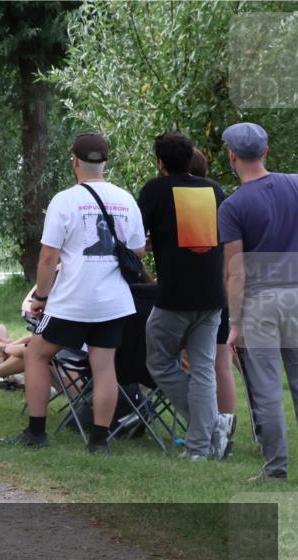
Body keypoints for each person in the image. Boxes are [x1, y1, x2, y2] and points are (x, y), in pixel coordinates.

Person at [2, 132, 146, 454]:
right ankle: (98, 440)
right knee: (104, 365)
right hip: (113, 300)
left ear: (74, 162)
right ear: (105, 162)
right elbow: (137, 249)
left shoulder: (65, 200)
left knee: (37, 354)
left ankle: (36, 432)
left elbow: (48, 256)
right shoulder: (126, 199)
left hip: (72, 300)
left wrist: (40, 296)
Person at [138, 132, 228, 461]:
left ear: (160, 162)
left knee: (159, 362)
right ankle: (200, 447)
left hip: (176, 295)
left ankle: (208, 426)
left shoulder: (155, 189)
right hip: (212, 296)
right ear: (191, 157)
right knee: (203, 369)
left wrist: (147, 243)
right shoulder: (214, 190)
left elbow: (136, 235)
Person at [218, 122, 298, 482]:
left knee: (265, 387)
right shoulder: (295, 184)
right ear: (266, 151)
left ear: (232, 156)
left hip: (260, 304)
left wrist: (234, 324)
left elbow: (236, 273)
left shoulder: (233, 206)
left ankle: (276, 469)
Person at [188, 148, 238, 442]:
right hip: (223, 290)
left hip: (205, 291)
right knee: (221, 361)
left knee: (206, 363)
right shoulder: (219, 200)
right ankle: (224, 426)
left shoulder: (193, 204)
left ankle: (208, 423)